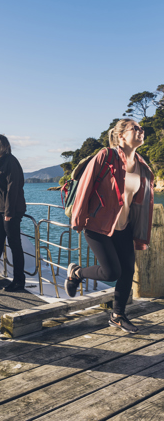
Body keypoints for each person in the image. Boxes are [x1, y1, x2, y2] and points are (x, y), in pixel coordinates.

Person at [66, 118, 154, 334]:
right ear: (121, 135)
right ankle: (77, 273)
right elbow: (85, 186)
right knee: (111, 272)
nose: (141, 131)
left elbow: (141, 203)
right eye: (136, 128)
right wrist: (77, 220)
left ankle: (118, 315)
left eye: (142, 128)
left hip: (124, 227)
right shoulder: (106, 156)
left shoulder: (142, 166)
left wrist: (141, 231)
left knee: (127, 271)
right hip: (97, 225)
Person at [0, 134, 27, 291]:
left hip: (11, 211)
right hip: (2, 211)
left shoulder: (10, 162)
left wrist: (9, 213)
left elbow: (13, 188)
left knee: (15, 245)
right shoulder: (1, 163)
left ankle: (19, 281)